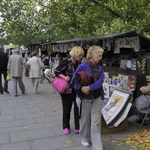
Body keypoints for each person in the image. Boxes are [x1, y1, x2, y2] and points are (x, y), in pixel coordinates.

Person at [71, 46, 104, 150]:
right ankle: (84, 138)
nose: (100, 58)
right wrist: (81, 88)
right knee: (85, 120)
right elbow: (73, 81)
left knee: (96, 122)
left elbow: (100, 81)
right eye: (99, 55)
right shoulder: (82, 66)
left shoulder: (100, 68)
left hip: (97, 97)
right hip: (84, 98)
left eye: (101, 56)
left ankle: (97, 146)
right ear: (92, 54)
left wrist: (89, 87)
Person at [54, 46, 84, 135]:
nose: (80, 56)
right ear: (74, 54)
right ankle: (65, 126)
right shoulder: (65, 62)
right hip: (67, 89)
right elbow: (56, 71)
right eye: (79, 55)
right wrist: (64, 77)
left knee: (77, 108)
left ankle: (77, 127)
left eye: (81, 55)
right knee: (66, 108)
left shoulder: (79, 63)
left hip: (77, 89)